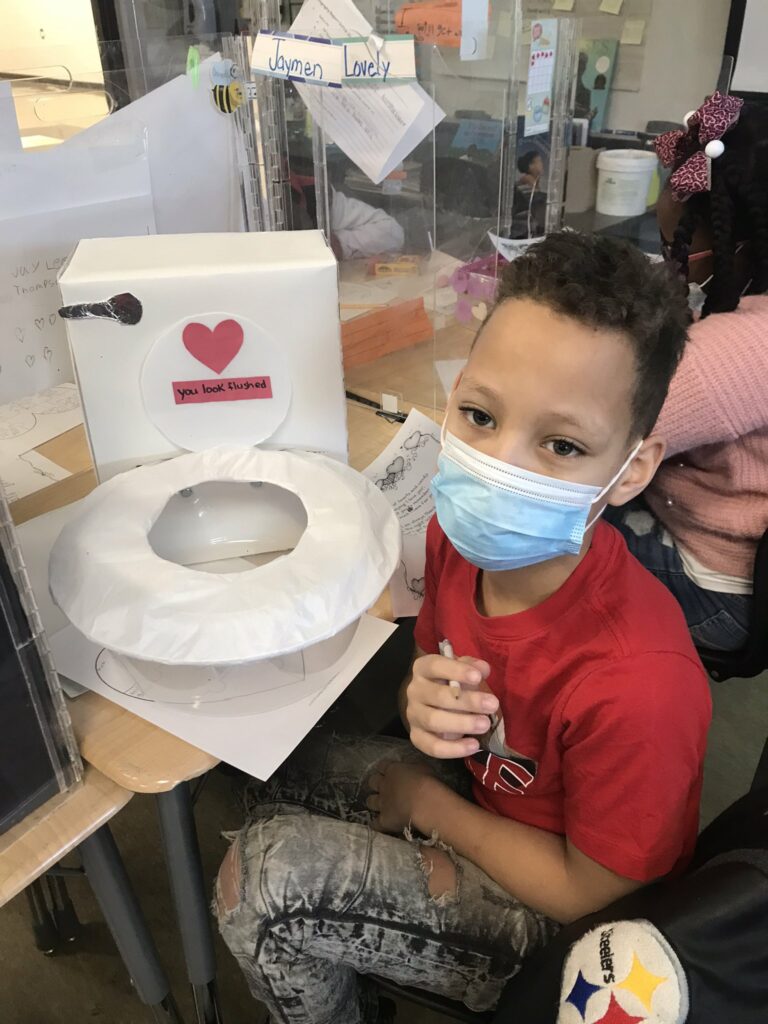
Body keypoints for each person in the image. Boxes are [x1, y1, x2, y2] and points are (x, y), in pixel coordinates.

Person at [215, 232, 711, 1024]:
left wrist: (435, 811)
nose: (498, 463)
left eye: (562, 445)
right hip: (484, 797)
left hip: (564, 918)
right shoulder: (456, 537)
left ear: (634, 469)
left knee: (265, 879)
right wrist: (418, 700)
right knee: (260, 767)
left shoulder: (640, 682)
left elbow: (596, 887)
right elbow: (434, 658)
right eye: (479, 415)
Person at [606, 92, 768, 651]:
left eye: (678, 239)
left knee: (542, 524)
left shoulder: (738, 349)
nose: (668, 248)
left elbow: (603, 435)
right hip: (739, 550)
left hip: (715, 580)